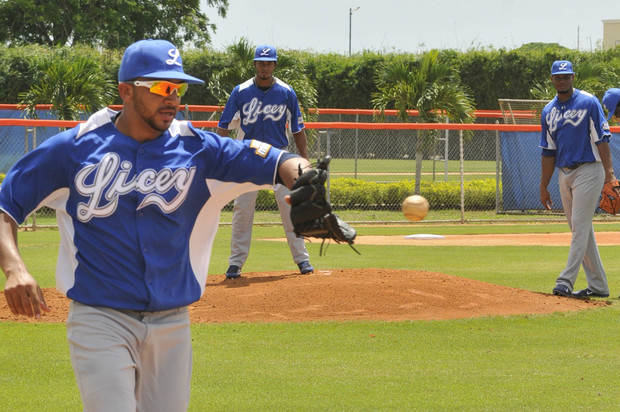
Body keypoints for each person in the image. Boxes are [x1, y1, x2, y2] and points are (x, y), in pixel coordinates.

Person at [0, 39, 311, 411]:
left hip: (172, 324)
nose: (173, 99)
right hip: (100, 318)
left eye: (178, 89)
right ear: (126, 91)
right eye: (162, 88)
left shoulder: (198, 149)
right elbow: (6, 204)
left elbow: (278, 160)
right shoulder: (75, 148)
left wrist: (306, 178)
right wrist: (14, 268)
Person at [216, 44, 313, 279]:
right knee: (242, 211)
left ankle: (302, 260)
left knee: (290, 207)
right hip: (248, 155)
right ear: (255, 65)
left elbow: (298, 128)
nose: (264, 67)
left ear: (274, 65)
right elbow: (223, 127)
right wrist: (218, 155)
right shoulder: (241, 91)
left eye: (268, 63)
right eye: (261, 62)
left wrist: (304, 159)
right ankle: (235, 263)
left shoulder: (286, 92)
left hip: (279, 156)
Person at [539, 60, 614, 299]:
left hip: (590, 169)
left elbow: (602, 139)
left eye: (566, 76)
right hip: (564, 172)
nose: (562, 80)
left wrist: (609, 175)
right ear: (552, 79)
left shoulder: (588, 102)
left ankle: (565, 281)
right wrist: (543, 184)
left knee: (580, 228)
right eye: (558, 77)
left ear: (573, 77)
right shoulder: (548, 111)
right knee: (581, 230)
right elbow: (548, 151)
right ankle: (599, 286)